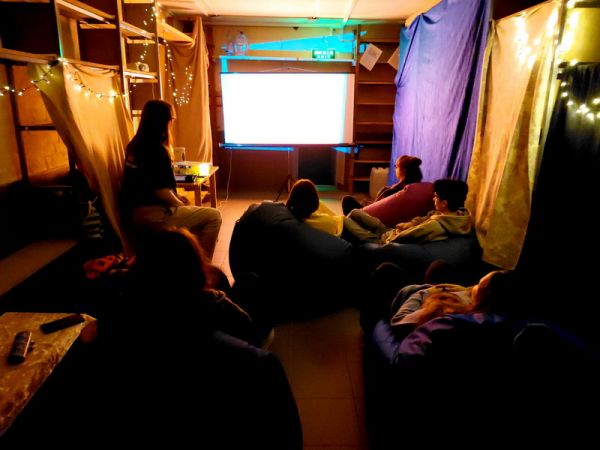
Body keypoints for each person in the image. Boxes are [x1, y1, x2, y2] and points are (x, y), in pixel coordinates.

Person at [119, 99, 222, 259]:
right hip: (156, 215)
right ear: (163, 122)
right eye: (171, 119)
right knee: (213, 216)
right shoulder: (156, 149)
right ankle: (202, 265)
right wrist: (179, 204)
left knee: (192, 212)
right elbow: (161, 191)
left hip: (134, 213)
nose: (172, 123)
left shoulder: (133, 146)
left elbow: (147, 183)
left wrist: (176, 196)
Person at [343, 178, 471, 245]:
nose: (433, 199)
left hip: (383, 240)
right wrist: (409, 224)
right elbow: (423, 218)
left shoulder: (435, 226)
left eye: (436, 197)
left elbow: (404, 238)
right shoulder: (450, 215)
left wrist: (390, 235)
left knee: (343, 220)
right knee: (355, 212)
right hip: (391, 231)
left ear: (444, 203)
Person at [342, 155, 423, 215]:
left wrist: (367, 205)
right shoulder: (419, 189)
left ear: (403, 171)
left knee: (347, 200)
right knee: (363, 201)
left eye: (396, 167)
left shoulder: (392, 192)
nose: (395, 169)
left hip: (373, 218)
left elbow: (375, 209)